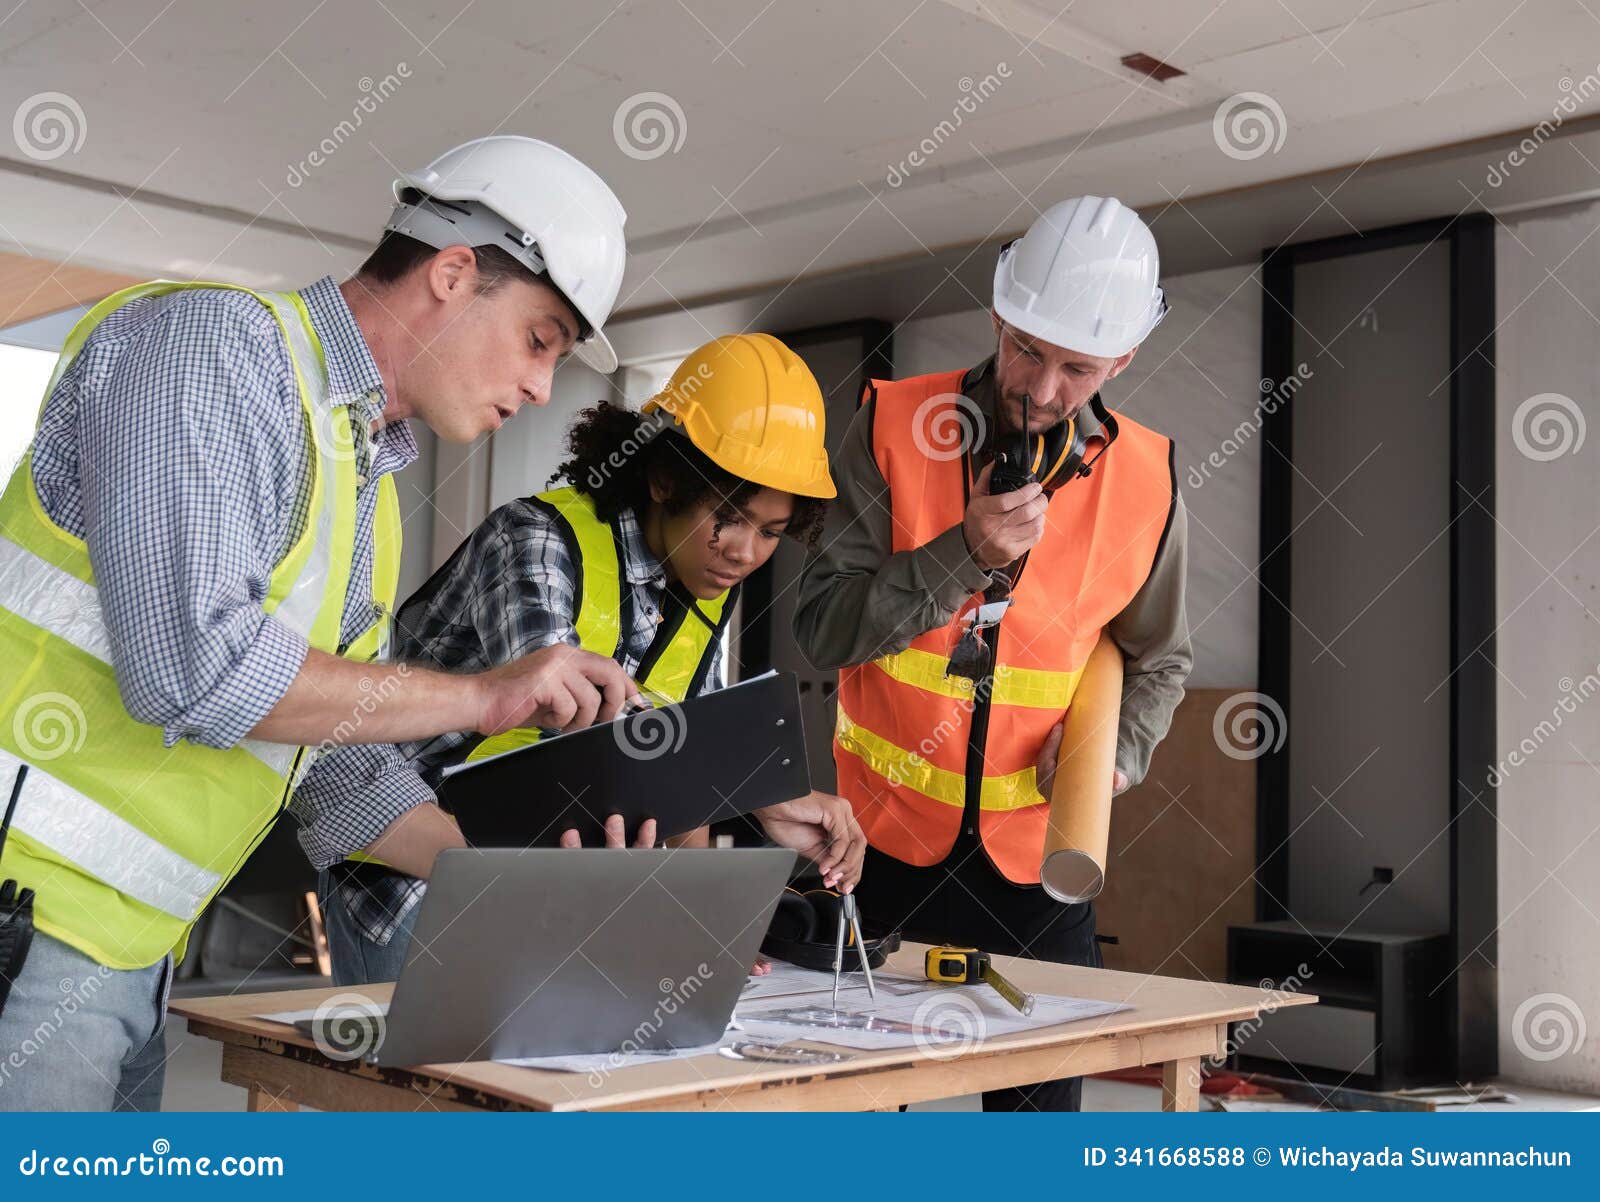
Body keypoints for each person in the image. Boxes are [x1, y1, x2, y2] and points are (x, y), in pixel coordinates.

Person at [0, 135, 653, 1112]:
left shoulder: (363, 477)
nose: (539, 388)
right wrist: (484, 694)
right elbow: (190, 669)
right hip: (26, 922)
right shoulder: (213, 351)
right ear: (452, 272)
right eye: (539, 338)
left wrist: (513, 881)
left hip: (128, 949)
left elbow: (337, 765)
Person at [793, 196, 1193, 1112]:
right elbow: (821, 629)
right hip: (872, 851)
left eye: (1077, 366)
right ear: (1000, 316)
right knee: (843, 1122)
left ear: (1123, 361)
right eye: (1027, 350)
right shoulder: (890, 426)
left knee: (1036, 1138)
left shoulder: (1149, 482)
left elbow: (1160, 661)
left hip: (1037, 867)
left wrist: (1112, 758)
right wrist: (962, 557)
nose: (1043, 388)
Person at [321, 333, 867, 984]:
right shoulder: (535, 540)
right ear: (665, 478)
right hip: (412, 871)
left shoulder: (703, 592)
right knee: (431, 1082)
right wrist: (753, 793)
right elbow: (576, 726)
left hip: (555, 882)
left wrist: (692, 920)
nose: (744, 551)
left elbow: (672, 786)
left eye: (771, 533)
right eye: (728, 516)